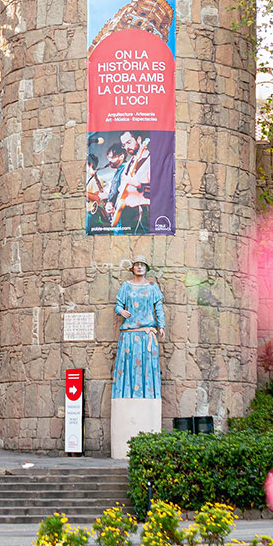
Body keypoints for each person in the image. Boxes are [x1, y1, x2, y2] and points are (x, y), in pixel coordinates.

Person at [112, 256, 164, 399]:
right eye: (137, 265)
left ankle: (148, 401)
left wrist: (161, 325)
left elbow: (158, 307)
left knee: (147, 368)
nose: (140, 267)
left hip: (147, 334)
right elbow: (118, 305)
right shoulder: (126, 286)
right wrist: (121, 311)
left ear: (146, 268)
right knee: (127, 368)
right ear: (133, 268)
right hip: (129, 334)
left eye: (142, 265)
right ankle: (126, 400)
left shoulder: (152, 286)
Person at [115, 131, 152, 234]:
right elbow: (121, 189)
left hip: (141, 213)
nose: (127, 147)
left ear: (139, 140)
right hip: (125, 213)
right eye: (124, 145)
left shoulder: (151, 160)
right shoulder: (129, 163)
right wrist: (114, 205)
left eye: (129, 142)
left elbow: (160, 191)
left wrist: (138, 184)